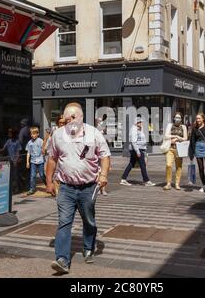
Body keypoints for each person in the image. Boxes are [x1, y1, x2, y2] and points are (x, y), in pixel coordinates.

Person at [46, 102, 111, 275]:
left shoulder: (94, 133)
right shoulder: (58, 135)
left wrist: (103, 175)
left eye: (72, 118)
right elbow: (52, 159)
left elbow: (105, 156)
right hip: (66, 188)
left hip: (88, 188)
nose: (69, 122)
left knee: (88, 220)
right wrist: (49, 182)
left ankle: (89, 247)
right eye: (66, 120)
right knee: (64, 222)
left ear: (80, 117)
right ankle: (62, 260)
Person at [120, 117, 156, 187]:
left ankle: (123, 179)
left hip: (138, 149)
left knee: (131, 164)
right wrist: (138, 152)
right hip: (137, 149)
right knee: (143, 165)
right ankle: (146, 181)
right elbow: (133, 142)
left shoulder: (139, 129)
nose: (141, 123)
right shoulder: (134, 130)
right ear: (136, 123)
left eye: (141, 122)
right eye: (140, 122)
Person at [188, 113, 205, 195]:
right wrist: (191, 153)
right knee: (200, 168)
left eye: (199, 118)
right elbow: (192, 141)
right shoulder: (195, 128)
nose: (198, 120)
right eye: (197, 119)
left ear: (203, 119)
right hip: (197, 148)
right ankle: (204, 185)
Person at [163, 112, 188, 191]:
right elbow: (166, 136)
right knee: (168, 165)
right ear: (174, 118)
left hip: (179, 149)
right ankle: (168, 183)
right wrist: (176, 136)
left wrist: (177, 139)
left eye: (179, 117)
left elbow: (185, 138)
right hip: (170, 148)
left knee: (179, 166)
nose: (177, 119)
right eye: (176, 117)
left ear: (181, 119)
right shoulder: (170, 125)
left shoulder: (183, 127)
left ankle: (177, 183)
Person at [0, 128, 22, 192]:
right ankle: (12, 187)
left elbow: (18, 152)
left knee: (16, 175)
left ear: (13, 133)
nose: (9, 134)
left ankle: (17, 188)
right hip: (9, 161)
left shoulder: (17, 142)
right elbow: (4, 149)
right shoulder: (8, 141)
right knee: (10, 175)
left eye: (10, 132)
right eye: (8, 132)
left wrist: (16, 160)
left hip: (15, 161)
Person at [26, 126, 45, 195]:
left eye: (34, 134)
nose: (33, 135)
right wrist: (27, 162)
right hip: (33, 162)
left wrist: (44, 151)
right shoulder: (29, 142)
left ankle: (48, 185)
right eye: (31, 134)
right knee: (32, 176)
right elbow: (28, 152)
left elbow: (43, 149)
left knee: (42, 175)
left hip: (40, 161)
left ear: (38, 134)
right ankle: (32, 189)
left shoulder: (40, 141)